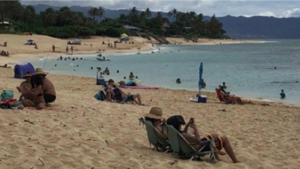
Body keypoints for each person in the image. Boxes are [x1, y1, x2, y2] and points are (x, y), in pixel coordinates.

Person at [167, 115, 239, 163]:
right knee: (224, 139)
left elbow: (185, 133)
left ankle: (216, 155)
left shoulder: (176, 133)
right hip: (199, 147)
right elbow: (198, 140)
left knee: (215, 135)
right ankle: (235, 160)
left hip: (193, 146)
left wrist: (187, 125)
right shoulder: (183, 135)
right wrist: (195, 129)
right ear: (178, 125)